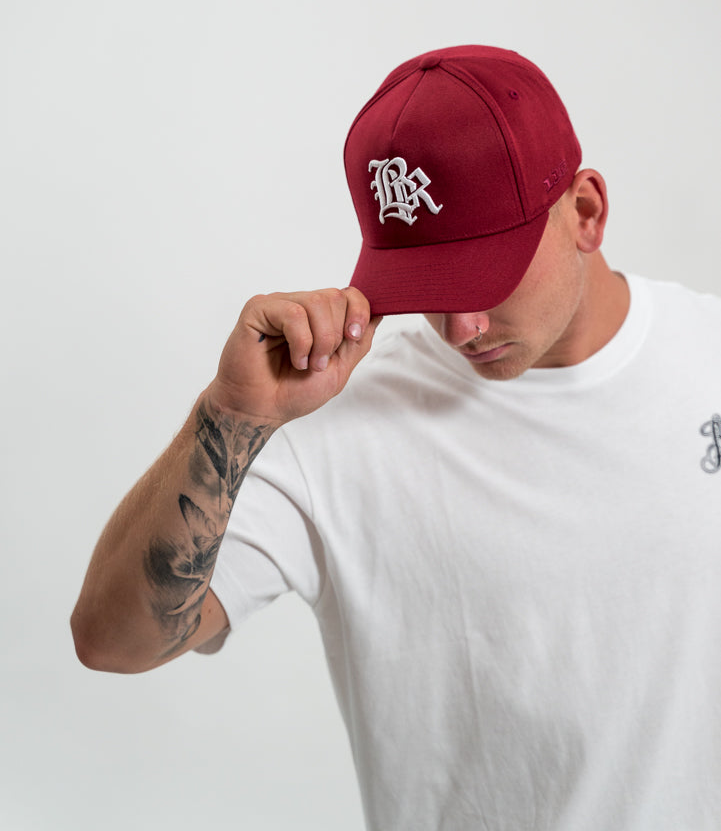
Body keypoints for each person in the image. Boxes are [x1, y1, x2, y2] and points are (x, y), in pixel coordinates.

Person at [72, 46, 721, 830]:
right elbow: (113, 642)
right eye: (428, 288)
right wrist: (230, 415)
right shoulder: (336, 422)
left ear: (584, 212)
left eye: (485, 278)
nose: (459, 328)